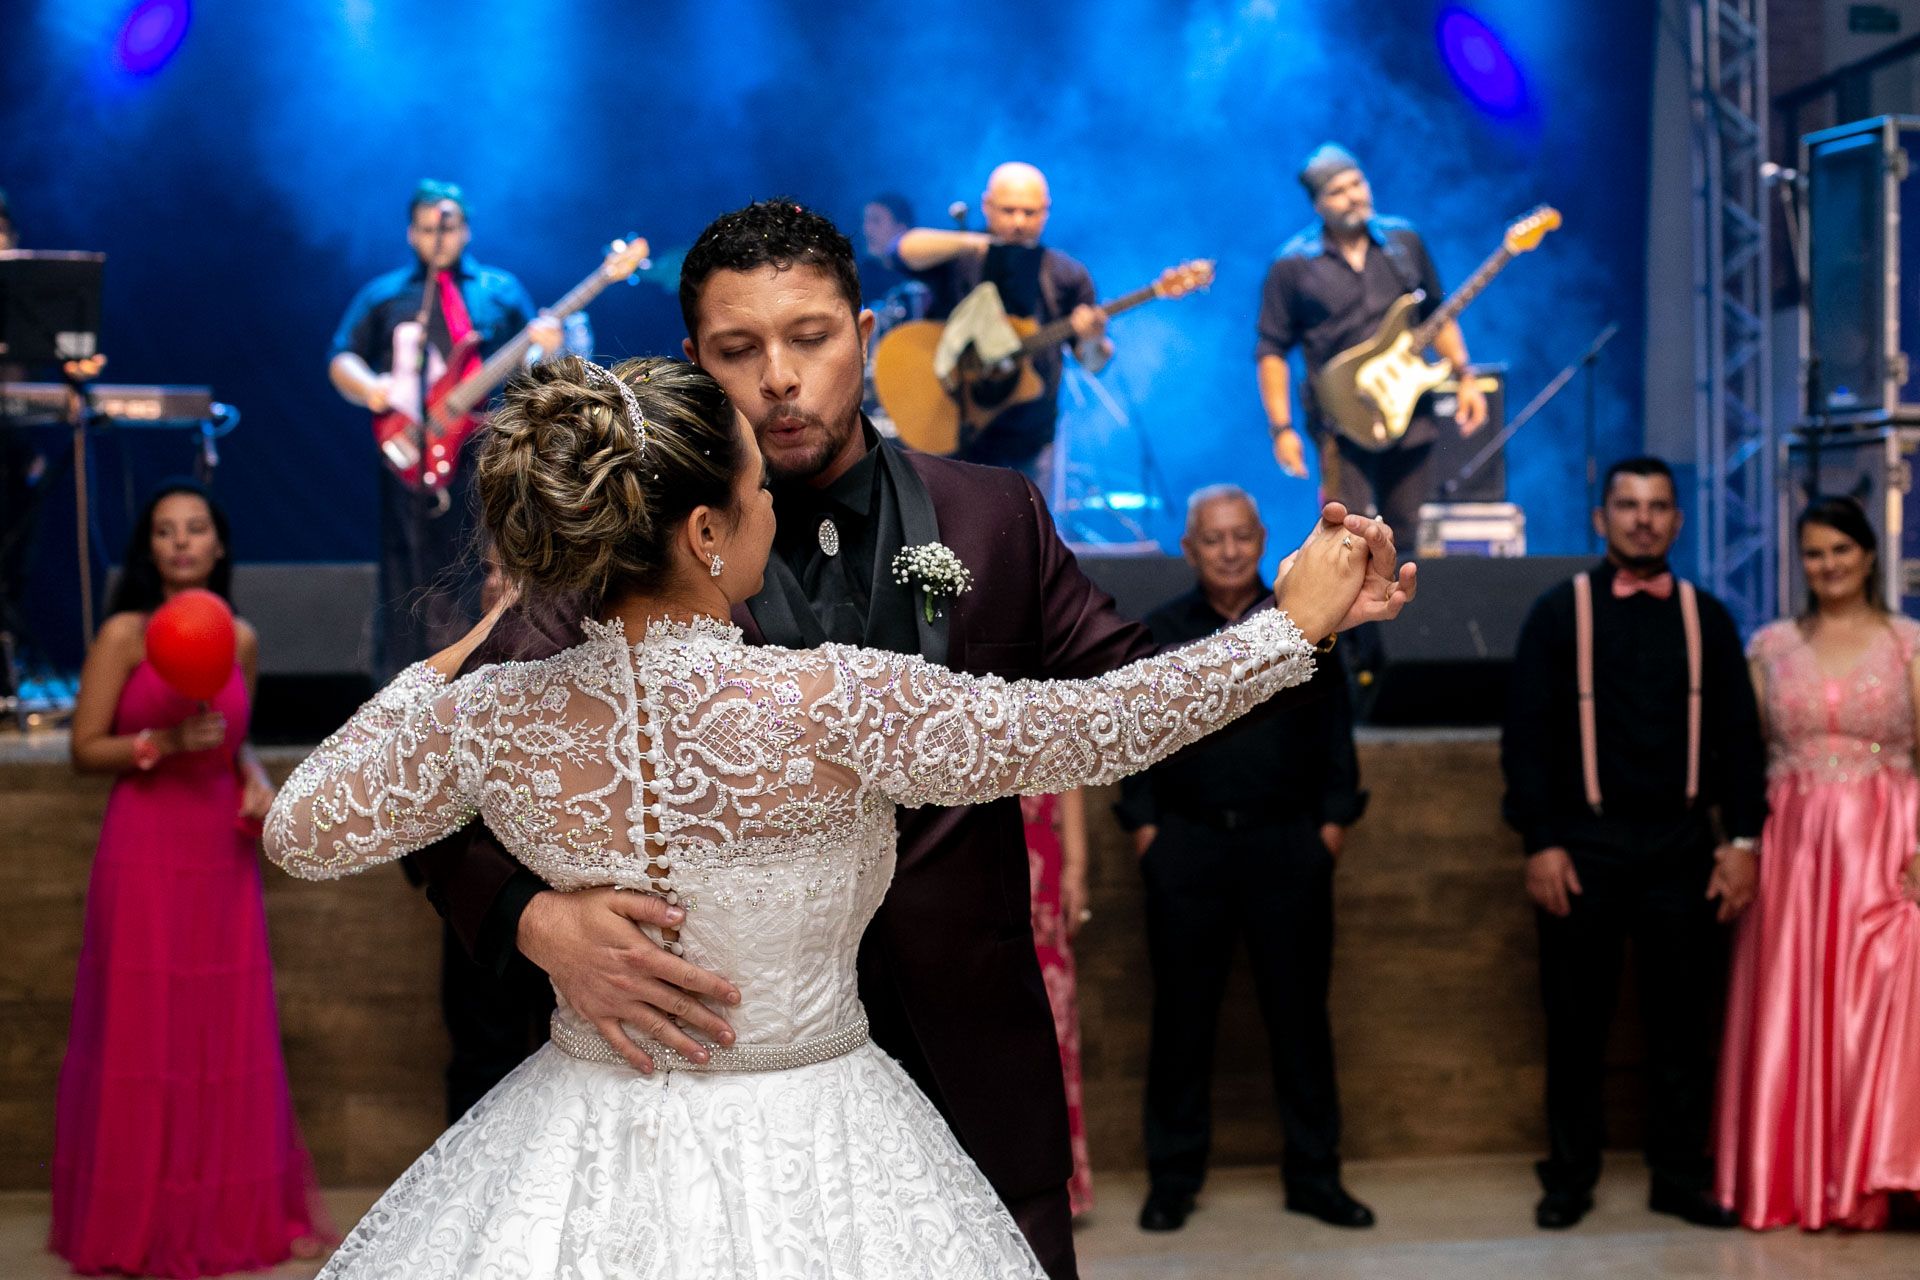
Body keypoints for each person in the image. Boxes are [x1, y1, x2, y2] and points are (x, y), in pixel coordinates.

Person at [263, 350, 1407, 1276]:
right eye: (756, 490)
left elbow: (303, 828)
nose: (770, 502)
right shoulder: (830, 699)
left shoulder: (500, 713)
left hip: (580, 1129)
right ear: (709, 532)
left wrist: (465, 646)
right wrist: (1288, 628)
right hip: (821, 1131)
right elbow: (1099, 725)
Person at [54, 480, 328, 1277]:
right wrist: (163, 744)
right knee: (146, 1028)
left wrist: (249, 773)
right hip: (143, 844)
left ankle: (217, 1210)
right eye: (166, 531)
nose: (181, 542)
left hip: (219, 843)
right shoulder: (124, 636)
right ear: (151, 548)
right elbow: (83, 749)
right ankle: (143, 1219)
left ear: (217, 544)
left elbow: (231, 733)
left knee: (219, 1027)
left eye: (195, 528)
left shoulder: (239, 636)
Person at [1501, 455, 1766, 1231]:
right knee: (1574, 1023)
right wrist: (1540, 842)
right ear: (1601, 518)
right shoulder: (1558, 613)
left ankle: (1680, 1177)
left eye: (1657, 506)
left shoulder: (1708, 617)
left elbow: (1741, 742)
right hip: (1583, 844)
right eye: (1628, 505)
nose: (1643, 518)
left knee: (1685, 1025)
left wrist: (1743, 839)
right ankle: (1570, 1175)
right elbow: (1528, 740)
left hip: (1683, 844)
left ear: (1677, 522)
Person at [1116, 484, 1373, 1234]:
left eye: (1240, 537)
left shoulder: (1307, 626)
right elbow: (1137, 742)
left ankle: (1316, 1176)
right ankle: (1173, 1179)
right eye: (1212, 539)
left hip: (1287, 847)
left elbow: (1336, 745)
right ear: (1190, 548)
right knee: (1180, 1021)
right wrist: (1148, 834)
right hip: (1186, 849)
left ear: (1261, 541)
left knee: (1300, 1018)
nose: (1228, 551)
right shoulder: (1162, 633)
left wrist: (1327, 832)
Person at [1715, 497, 1920, 1230]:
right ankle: (1793, 1179)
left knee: (1875, 1004)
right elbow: (1744, 756)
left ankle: (1871, 1176)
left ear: (1869, 554)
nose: (1829, 564)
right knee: (1792, 999)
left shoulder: (1908, 643)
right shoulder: (1770, 646)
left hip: (1886, 840)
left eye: (1841, 549)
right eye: (1814, 553)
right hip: (1793, 846)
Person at [326, 178, 561, 677]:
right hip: (409, 448)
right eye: (428, 226)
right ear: (412, 233)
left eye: (448, 225)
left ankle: (482, 676)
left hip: (485, 450)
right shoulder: (385, 295)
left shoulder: (500, 291)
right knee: (405, 568)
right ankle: (400, 681)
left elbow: (538, 369)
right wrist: (375, 390)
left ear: (466, 230)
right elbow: (341, 356)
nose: (439, 235)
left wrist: (547, 346)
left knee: (483, 561)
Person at [1255, 143, 1487, 549]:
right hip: (1341, 420)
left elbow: (1438, 314)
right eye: (1338, 191)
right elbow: (1272, 349)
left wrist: (1465, 375)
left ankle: (1402, 611)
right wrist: (1281, 428)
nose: (1354, 196)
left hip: (1410, 407)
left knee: (1408, 533)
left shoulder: (1403, 242)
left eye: (1357, 183)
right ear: (1318, 205)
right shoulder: (1292, 265)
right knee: (1346, 536)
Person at [892, 162, 1111, 488]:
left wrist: (1093, 339)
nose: (1019, 222)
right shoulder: (960, 255)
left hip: (1027, 443)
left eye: (1030, 212)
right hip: (949, 427)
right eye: (1008, 211)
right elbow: (902, 249)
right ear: (987, 206)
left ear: (1046, 211)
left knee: (1024, 535)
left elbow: (1093, 363)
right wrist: (976, 243)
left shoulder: (1068, 274)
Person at [1023, 789, 1094, 1216]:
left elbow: (1072, 767)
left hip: (1040, 853)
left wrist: (1077, 866)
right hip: (968, 851)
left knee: (1053, 1025)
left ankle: (1060, 1187)